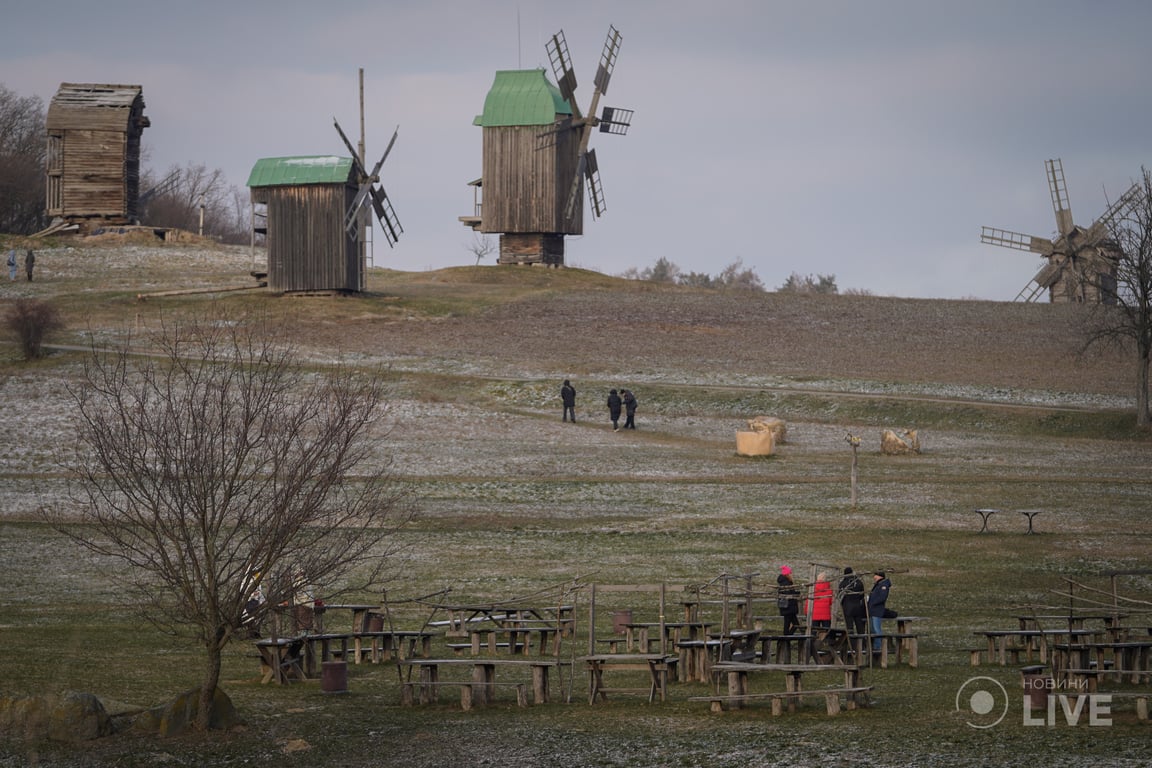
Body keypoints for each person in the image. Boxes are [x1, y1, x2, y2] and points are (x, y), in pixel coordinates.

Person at [838, 566, 867, 637]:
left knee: (850, 628)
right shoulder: (859, 582)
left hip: (848, 607)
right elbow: (862, 595)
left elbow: (840, 596)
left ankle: (852, 644)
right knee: (860, 627)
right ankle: (862, 644)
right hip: (857, 607)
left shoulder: (843, 583)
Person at [867, 570, 892, 654]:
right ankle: (874, 646)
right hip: (873, 610)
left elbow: (882, 597)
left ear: (880, 576)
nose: (874, 577)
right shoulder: (878, 585)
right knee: (872, 629)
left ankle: (878, 647)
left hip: (877, 611)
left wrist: (873, 603)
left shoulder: (883, 585)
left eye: (876, 575)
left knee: (877, 629)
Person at [777, 565, 800, 635]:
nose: (791, 575)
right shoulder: (787, 583)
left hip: (787, 607)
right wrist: (796, 593)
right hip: (789, 607)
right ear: (787, 574)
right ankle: (786, 639)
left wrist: (795, 593)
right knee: (793, 624)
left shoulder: (783, 582)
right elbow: (788, 593)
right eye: (790, 573)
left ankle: (787, 639)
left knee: (789, 624)